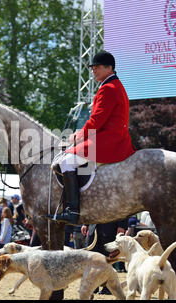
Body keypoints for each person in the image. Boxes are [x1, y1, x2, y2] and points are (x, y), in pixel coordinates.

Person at [47, 51, 136, 225]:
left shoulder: (108, 88)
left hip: (108, 139)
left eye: (97, 67)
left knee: (66, 161)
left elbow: (97, 120)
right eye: (93, 67)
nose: (93, 71)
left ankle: (72, 210)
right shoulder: (115, 85)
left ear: (109, 68)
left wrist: (79, 136)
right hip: (113, 136)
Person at [82, 218, 129, 294]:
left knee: (108, 259)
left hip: (111, 227)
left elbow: (124, 207)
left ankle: (108, 288)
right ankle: (93, 287)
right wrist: (85, 224)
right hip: (93, 227)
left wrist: (122, 225)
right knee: (91, 259)